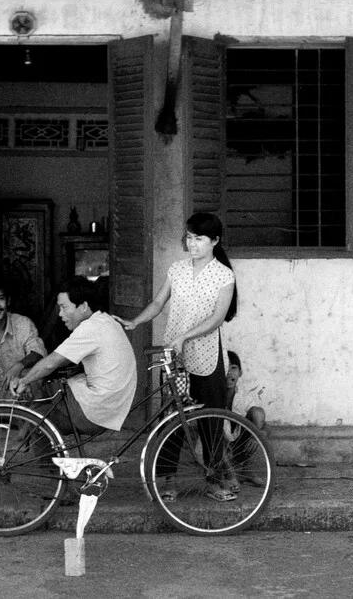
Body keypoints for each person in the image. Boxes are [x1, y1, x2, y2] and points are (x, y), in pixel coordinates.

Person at [117, 212, 238, 503]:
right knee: (173, 417)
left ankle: (214, 480)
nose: (192, 243)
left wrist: (187, 336)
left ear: (214, 241)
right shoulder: (177, 269)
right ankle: (168, 479)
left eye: (199, 238)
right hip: (176, 358)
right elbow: (159, 302)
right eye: (189, 237)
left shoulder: (224, 275)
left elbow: (218, 317)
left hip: (208, 356)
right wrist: (136, 322)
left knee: (210, 420)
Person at [9, 276, 136, 437]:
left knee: (39, 414)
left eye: (64, 307)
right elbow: (62, 360)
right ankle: (28, 429)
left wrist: (24, 381)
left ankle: (29, 431)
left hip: (94, 413)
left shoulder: (90, 328)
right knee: (44, 391)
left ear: (83, 306)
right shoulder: (105, 321)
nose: (60, 314)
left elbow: (51, 363)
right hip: (111, 409)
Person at [223, 350, 267, 492]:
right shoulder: (214, 395)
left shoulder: (244, 397)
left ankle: (245, 469)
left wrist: (256, 436)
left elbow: (261, 420)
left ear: (240, 373)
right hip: (218, 447)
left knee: (257, 416)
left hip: (236, 443)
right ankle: (231, 474)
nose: (229, 373)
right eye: (225, 368)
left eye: (233, 368)